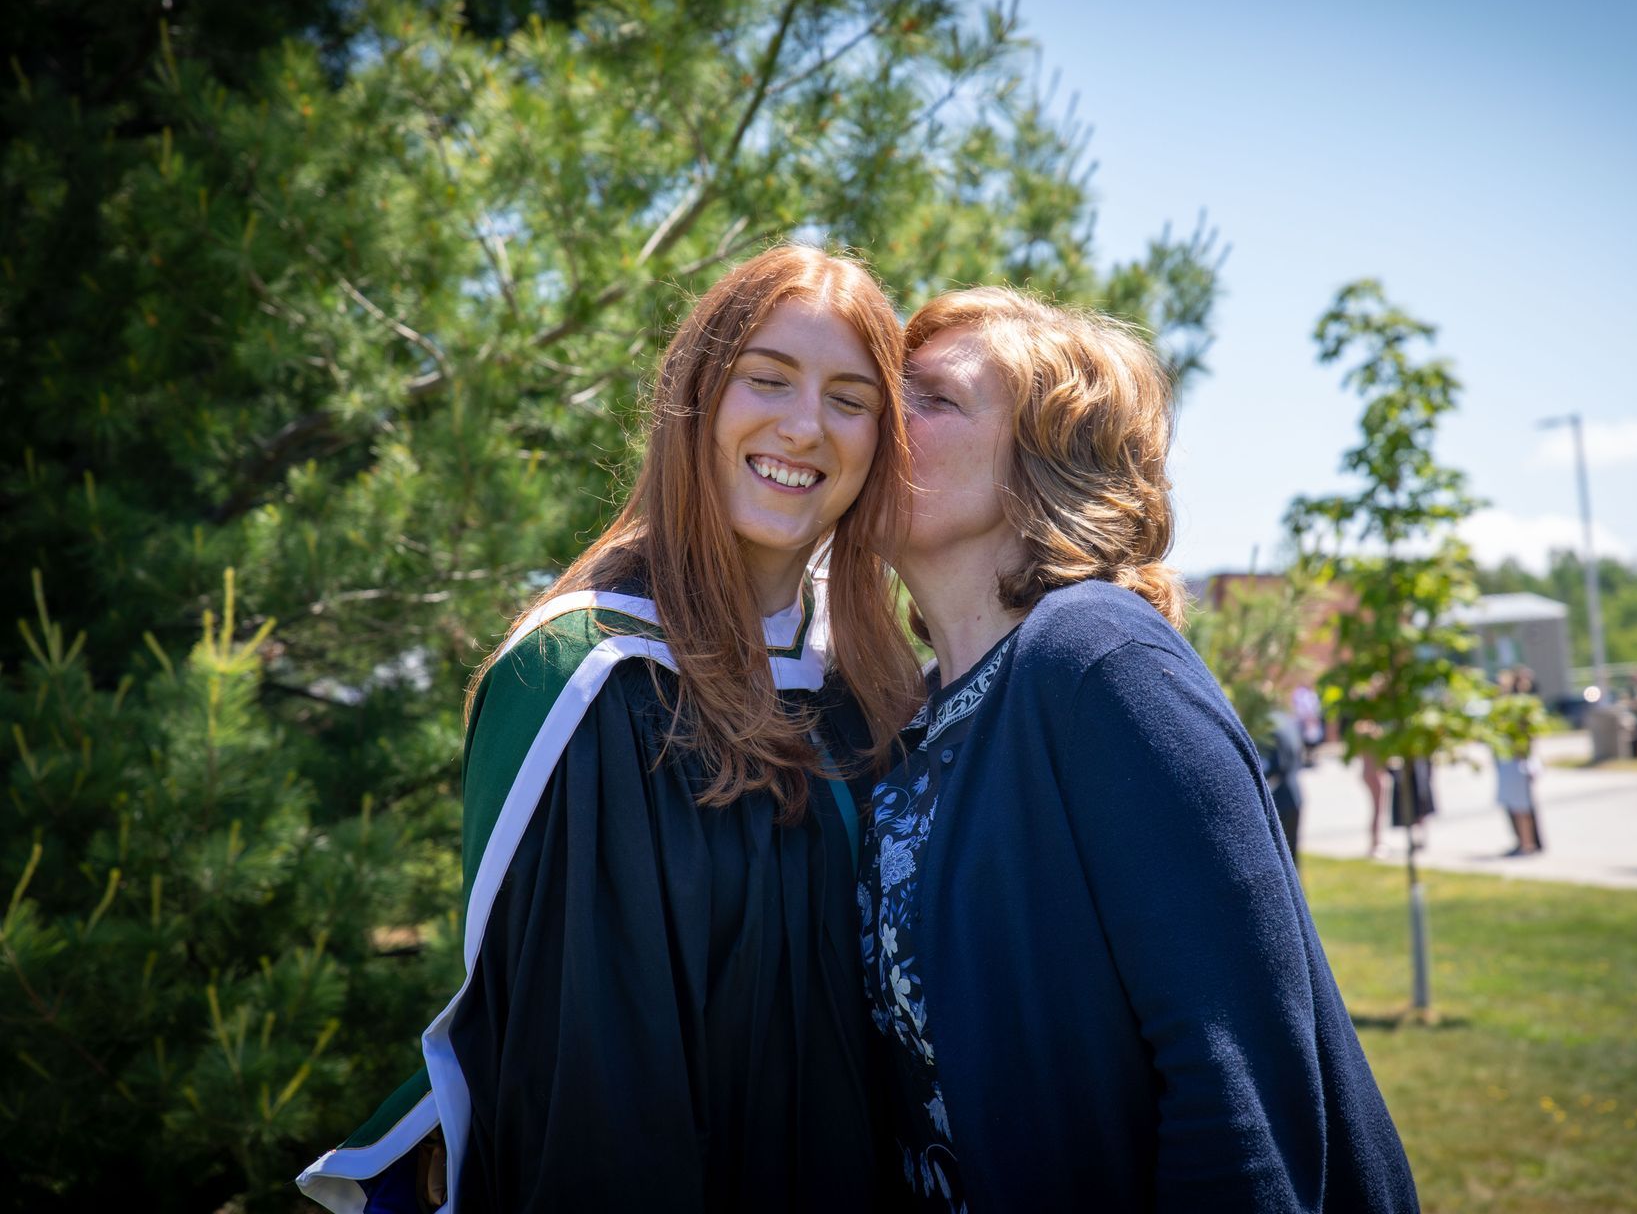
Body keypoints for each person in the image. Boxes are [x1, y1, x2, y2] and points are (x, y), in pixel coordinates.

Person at [298, 246, 922, 1212]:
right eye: (768, 379)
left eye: (850, 399)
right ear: (695, 399)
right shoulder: (591, 680)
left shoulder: (864, 691)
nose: (805, 428)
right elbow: (593, 1091)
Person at [860, 287, 1417, 1210]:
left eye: (934, 397)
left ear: (1045, 463)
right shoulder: (914, 718)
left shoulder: (1097, 659)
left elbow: (1235, 1081)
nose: (883, 414)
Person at [1493, 668, 1545, 856]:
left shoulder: (1518, 707)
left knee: (1521, 806)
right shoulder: (1508, 707)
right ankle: (1525, 841)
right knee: (1517, 806)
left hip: (1516, 760)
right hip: (1510, 761)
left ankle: (1527, 843)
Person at [1264, 708, 1307, 858]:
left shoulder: (1269, 726)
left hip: (1279, 798)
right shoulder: (1288, 720)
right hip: (1295, 794)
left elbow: (1276, 765)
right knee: (1292, 856)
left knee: (1280, 856)